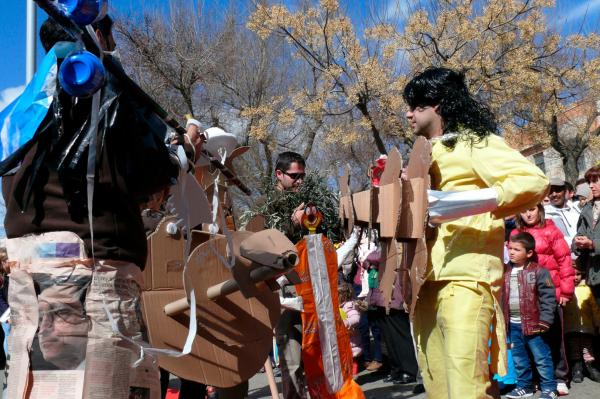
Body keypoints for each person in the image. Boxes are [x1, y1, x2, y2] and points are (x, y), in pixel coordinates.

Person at [0, 16, 203, 398]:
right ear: (96, 35)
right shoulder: (103, 98)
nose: (112, 43)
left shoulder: (22, 113)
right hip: (94, 283)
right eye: (108, 33)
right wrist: (186, 151)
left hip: (36, 282)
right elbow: (150, 171)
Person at [403, 67, 548, 399]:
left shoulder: (475, 142)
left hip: (467, 277)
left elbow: (533, 182)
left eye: (416, 105)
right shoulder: (422, 155)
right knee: (437, 384)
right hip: (425, 281)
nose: (408, 113)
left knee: (466, 387)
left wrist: (455, 204)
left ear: (437, 104)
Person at [512, 203, 574, 394]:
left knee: (554, 336)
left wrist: (565, 291)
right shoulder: (515, 232)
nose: (528, 214)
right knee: (532, 340)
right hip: (526, 296)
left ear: (539, 209)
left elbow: (564, 260)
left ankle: (560, 377)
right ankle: (538, 379)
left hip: (551, 291)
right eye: (524, 210)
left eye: (532, 209)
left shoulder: (550, 229)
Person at [503, 232, 558, 399]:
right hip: (513, 324)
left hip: (535, 325)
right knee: (519, 359)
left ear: (529, 253)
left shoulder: (540, 272)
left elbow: (548, 298)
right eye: (510, 248)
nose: (511, 252)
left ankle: (549, 388)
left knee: (542, 358)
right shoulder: (505, 270)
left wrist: (545, 321)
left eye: (517, 249)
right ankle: (524, 386)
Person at [273, 151, 308, 399]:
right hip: (285, 291)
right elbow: (263, 245)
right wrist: (291, 225)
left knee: (316, 354)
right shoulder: (267, 204)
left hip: (312, 286)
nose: (300, 181)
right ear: (279, 174)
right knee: (292, 359)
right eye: (294, 176)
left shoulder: (308, 201)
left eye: (303, 176)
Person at [365, 249, 419, 385]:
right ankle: (396, 370)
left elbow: (374, 257)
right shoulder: (383, 245)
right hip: (381, 299)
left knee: (400, 336)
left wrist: (370, 261)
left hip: (395, 297)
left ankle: (409, 371)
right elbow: (369, 261)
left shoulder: (396, 245)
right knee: (389, 339)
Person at [563, 263, 600, 383]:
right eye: (572, 274)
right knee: (574, 348)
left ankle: (590, 367)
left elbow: (594, 308)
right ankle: (577, 369)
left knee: (587, 348)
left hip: (586, 327)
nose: (575, 277)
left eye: (578, 274)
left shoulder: (586, 289)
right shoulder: (565, 290)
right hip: (571, 326)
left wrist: (597, 323)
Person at [573, 165, 600, 305]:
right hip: (594, 276)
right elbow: (579, 233)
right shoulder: (588, 208)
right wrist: (577, 243)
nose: (591, 185)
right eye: (589, 182)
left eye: (595, 181)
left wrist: (593, 244)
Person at [544, 178, 581, 247]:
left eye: (557, 190)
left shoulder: (577, 209)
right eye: (550, 191)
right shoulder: (545, 215)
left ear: (565, 191)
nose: (554, 194)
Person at [338, 282, 362, 375]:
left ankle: (353, 378)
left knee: (353, 360)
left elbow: (356, 318)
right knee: (345, 361)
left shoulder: (350, 306)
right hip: (344, 340)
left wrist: (346, 322)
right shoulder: (340, 306)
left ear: (343, 296)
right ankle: (347, 376)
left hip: (351, 339)